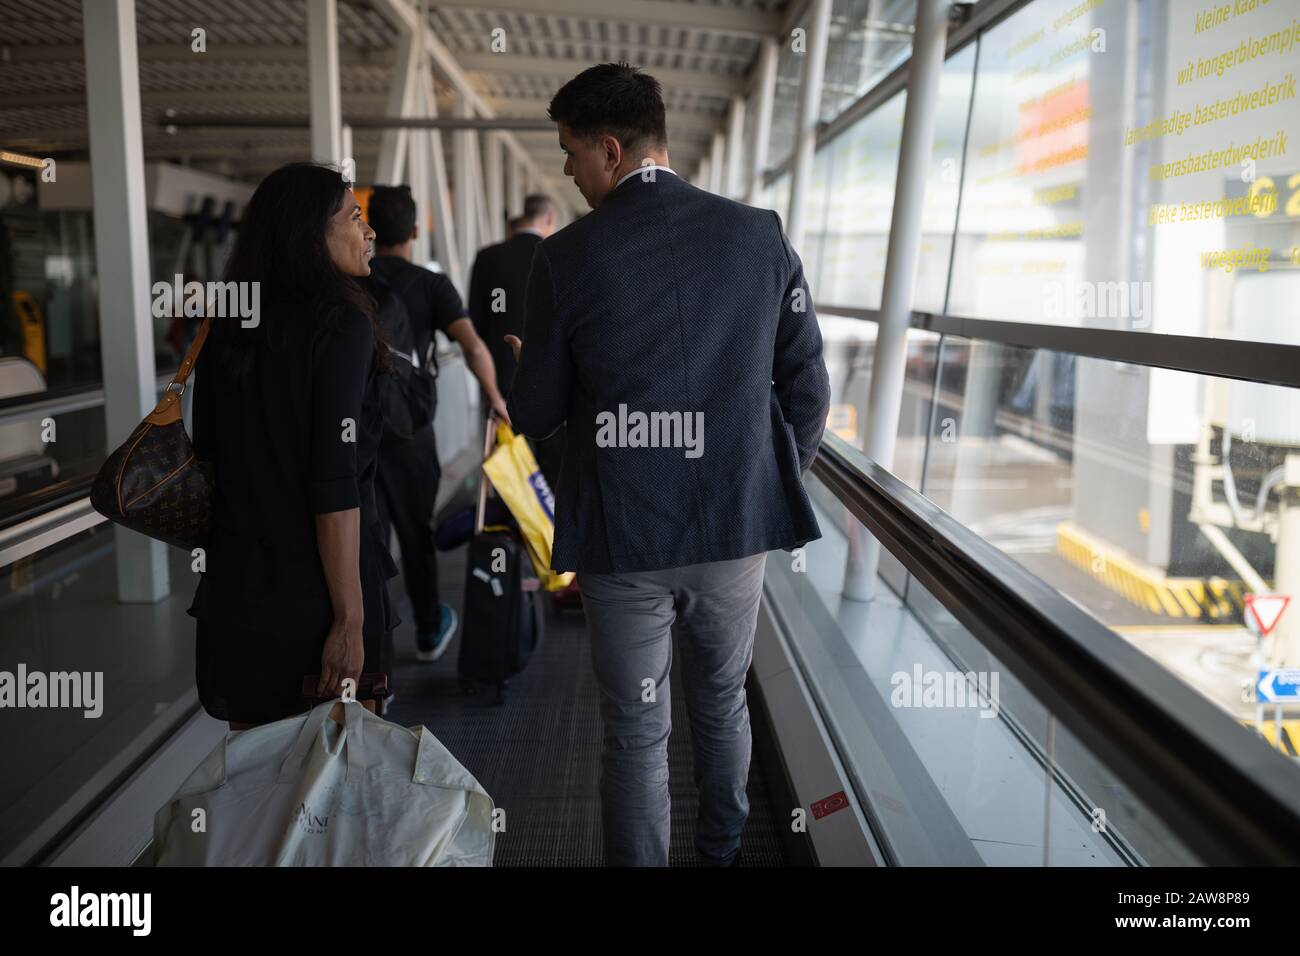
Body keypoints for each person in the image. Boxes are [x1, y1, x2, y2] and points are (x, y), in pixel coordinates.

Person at [506, 63, 830, 866]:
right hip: (734, 530)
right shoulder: (758, 233)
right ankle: (719, 857)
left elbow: (537, 412)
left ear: (611, 150)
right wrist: (760, 468)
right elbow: (809, 385)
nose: (571, 173)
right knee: (722, 707)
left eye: (572, 154)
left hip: (624, 541)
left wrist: (527, 367)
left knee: (637, 732)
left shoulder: (567, 257)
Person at [188, 162, 398, 730]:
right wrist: (350, 619)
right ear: (312, 235)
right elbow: (336, 477)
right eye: (355, 217)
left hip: (240, 599)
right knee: (346, 792)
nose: (368, 231)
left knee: (260, 799)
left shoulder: (227, 324)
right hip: (321, 602)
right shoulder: (340, 324)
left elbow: (207, 449)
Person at [366, 185, 509, 662]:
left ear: (369, 227)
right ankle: (428, 630)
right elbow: (471, 345)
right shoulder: (430, 285)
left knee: (367, 541)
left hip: (357, 432)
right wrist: (494, 396)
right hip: (410, 430)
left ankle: (371, 657)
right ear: (413, 231)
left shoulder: (351, 280)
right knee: (414, 533)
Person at [468, 193, 563, 485]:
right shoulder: (561, 254)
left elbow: (476, 328)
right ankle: (546, 529)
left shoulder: (488, 258)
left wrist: (491, 392)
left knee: (508, 475)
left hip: (501, 388)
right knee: (552, 475)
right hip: (555, 390)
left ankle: (507, 529)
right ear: (549, 218)